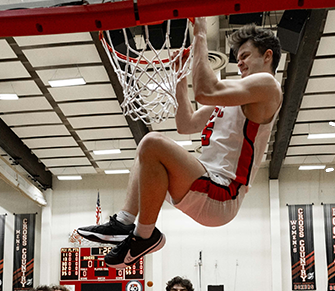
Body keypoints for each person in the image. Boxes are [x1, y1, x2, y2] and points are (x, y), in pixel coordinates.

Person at [77, 20, 283, 268]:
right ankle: (124, 222)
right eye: (238, 57)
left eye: (245, 55)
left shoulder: (269, 86)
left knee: (152, 142)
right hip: (207, 183)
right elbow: (186, 124)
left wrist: (200, 35)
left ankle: (144, 236)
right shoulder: (235, 96)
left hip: (223, 193)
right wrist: (179, 79)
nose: (238, 62)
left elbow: (206, 90)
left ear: (268, 55)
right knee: (147, 153)